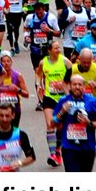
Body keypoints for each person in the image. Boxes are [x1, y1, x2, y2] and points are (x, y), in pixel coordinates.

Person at [53, 74, 96, 172]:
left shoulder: (93, 102)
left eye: (80, 84)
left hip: (87, 148)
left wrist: (89, 122)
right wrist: (62, 112)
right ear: (70, 86)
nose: (77, 87)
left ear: (84, 86)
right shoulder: (63, 101)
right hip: (69, 147)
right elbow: (52, 124)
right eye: (74, 84)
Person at [35, 38, 71, 166]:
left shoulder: (65, 61)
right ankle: (52, 154)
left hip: (62, 98)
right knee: (50, 125)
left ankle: (57, 150)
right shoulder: (43, 62)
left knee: (60, 127)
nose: (58, 50)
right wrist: (38, 84)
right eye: (56, 48)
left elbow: (72, 73)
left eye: (59, 47)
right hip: (49, 96)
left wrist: (69, 86)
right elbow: (38, 74)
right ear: (49, 50)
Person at [0, 100, 36, 171]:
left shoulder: (20, 135)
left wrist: (19, 162)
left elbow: (32, 157)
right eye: (1, 115)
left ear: (13, 116)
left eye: (7, 116)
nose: (4, 119)